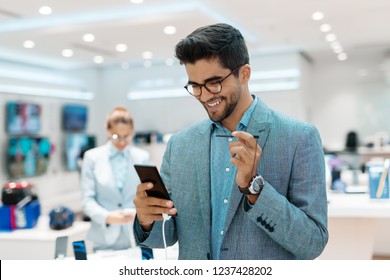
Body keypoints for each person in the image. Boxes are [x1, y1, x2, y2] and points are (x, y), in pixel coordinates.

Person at [133, 23, 328, 259]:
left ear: (244, 74)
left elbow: (312, 243)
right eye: (195, 86)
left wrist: (255, 190)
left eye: (214, 83)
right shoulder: (180, 145)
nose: (204, 96)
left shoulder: (298, 137)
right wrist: (146, 219)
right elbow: (167, 235)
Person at [81, 106, 150, 251]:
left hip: (136, 235)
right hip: (104, 238)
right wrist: (107, 217)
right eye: (116, 136)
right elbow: (87, 200)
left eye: (127, 136)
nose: (122, 142)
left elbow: (149, 196)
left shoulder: (142, 157)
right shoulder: (92, 157)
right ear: (108, 131)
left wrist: (137, 214)